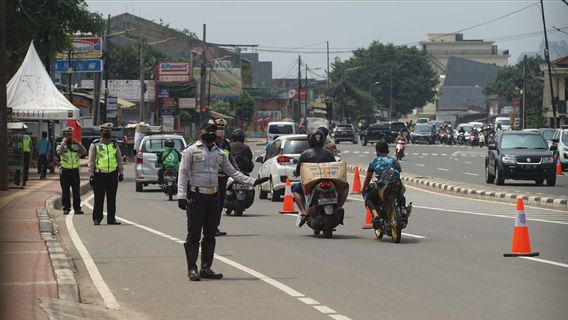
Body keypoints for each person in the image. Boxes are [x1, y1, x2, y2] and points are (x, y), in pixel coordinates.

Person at [177, 121, 268, 281]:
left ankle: (206, 268)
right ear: (201, 131)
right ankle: (192, 269)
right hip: (196, 197)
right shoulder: (190, 151)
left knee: (211, 233)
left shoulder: (220, 153)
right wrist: (182, 195)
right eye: (209, 130)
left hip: (214, 197)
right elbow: (183, 173)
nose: (212, 133)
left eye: (215, 131)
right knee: (194, 234)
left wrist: (252, 181)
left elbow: (233, 172)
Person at [293, 128, 349, 227]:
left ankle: (303, 212)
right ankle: (339, 206)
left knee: (296, 189)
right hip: (329, 180)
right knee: (346, 186)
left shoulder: (305, 154)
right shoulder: (328, 153)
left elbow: (298, 170)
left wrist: (296, 173)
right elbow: (334, 166)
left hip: (312, 182)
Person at [361, 142, 407, 229]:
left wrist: (364, 189)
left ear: (376, 152)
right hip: (396, 186)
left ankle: (376, 215)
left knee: (369, 198)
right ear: (388, 151)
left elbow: (368, 178)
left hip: (383, 188)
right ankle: (403, 210)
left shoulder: (374, 162)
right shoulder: (395, 161)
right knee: (401, 197)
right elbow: (398, 174)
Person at [88, 123, 124, 225]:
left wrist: (121, 172)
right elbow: (91, 161)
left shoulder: (114, 144)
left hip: (112, 174)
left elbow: (119, 159)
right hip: (99, 175)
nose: (107, 133)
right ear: (101, 133)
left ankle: (111, 219)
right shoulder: (95, 145)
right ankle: (97, 218)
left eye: (108, 131)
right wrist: (91, 175)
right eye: (105, 132)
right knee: (99, 198)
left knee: (112, 199)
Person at [57, 127, 87, 215]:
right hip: (65, 171)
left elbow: (84, 152)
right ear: (64, 135)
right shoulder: (60, 145)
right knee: (65, 191)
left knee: (76, 191)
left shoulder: (75, 145)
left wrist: (78, 143)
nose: (70, 136)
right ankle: (66, 208)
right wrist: (63, 142)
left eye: (71, 134)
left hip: (74, 171)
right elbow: (59, 152)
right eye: (68, 135)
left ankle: (77, 208)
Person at [213, 118, 233, 236]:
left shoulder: (226, 143)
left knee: (220, 203)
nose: (220, 131)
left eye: (222, 129)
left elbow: (230, 159)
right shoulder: (210, 142)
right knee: (212, 202)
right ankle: (209, 226)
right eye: (219, 129)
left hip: (222, 178)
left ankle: (215, 226)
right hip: (211, 177)